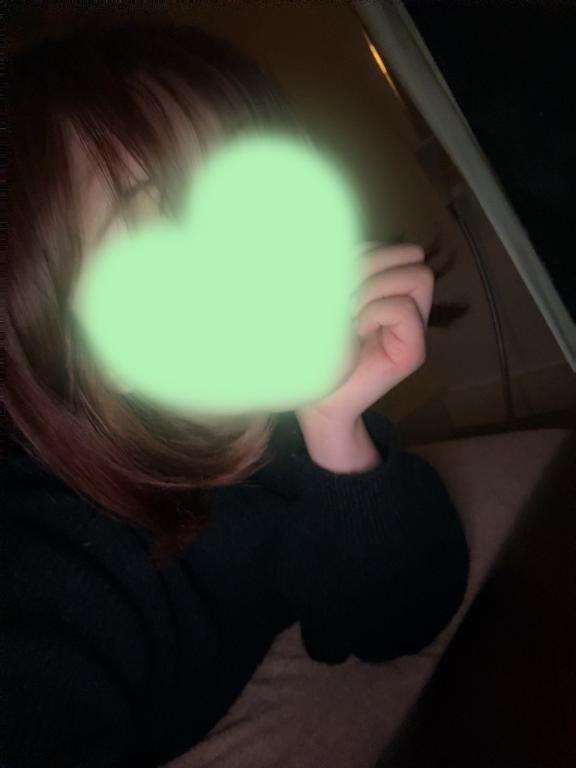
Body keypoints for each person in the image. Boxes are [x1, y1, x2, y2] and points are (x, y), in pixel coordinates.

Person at [2, 17, 470, 768]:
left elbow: (404, 617)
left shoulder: (271, 430)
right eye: (159, 217)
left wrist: (337, 429)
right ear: (52, 325)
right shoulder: (48, 572)